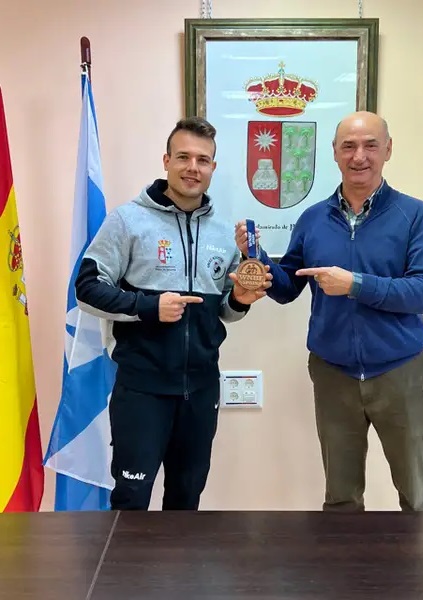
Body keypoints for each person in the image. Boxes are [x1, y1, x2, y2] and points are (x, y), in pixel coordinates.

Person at [235, 111, 423, 512]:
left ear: (388, 150)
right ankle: (345, 578)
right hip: (333, 375)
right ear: (334, 152)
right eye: (348, 146)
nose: (359, 155)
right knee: (341, 500)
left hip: (401, 374)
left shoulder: (414, 214)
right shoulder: (313, 218)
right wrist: (255, 257)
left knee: (419, 498)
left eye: (369, 145)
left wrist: (355, 285)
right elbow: (287, 286)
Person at [75, 116, 272, 510]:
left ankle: (179, 575)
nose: (192, 168)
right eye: (183, 157)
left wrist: (241, 301)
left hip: (200, 389)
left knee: (186, 500)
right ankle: (128, 574)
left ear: (213, 167)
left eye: (203, 160)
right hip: (143, 389)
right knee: (131, 498)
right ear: (166, 160)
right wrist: (148, 306)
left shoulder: (223, 231)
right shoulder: (127, 220)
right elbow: (86, 290)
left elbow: (227, 310)